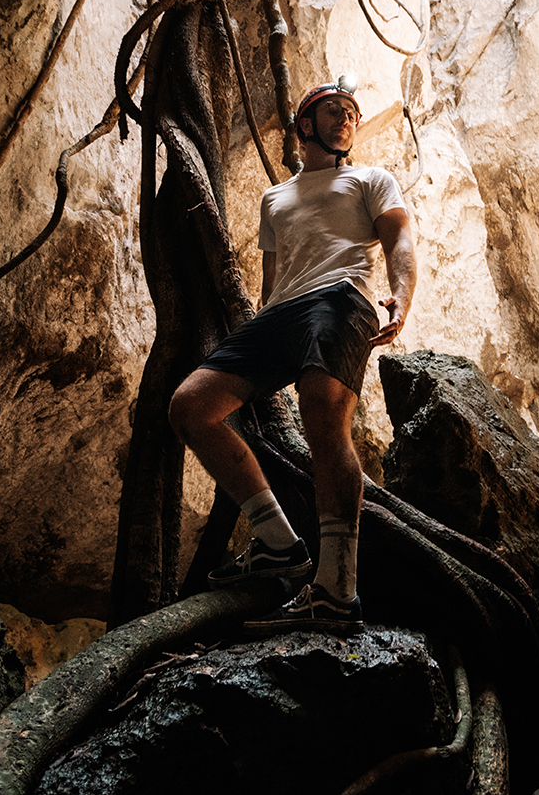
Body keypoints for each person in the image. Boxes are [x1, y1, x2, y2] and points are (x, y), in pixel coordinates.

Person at [167, 82, 417, 634]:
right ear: (305, 123)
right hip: (280, 315)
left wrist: (402, 294)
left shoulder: (370, 180)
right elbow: (271, 278)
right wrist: (261, 333)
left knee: (326, 419)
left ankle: (336, 590)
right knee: (190, 406)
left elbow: (399, 238)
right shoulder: (274, 198)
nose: (346, 118)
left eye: (352, 113)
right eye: (334, 110)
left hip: (340, 299)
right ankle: (278, 542)